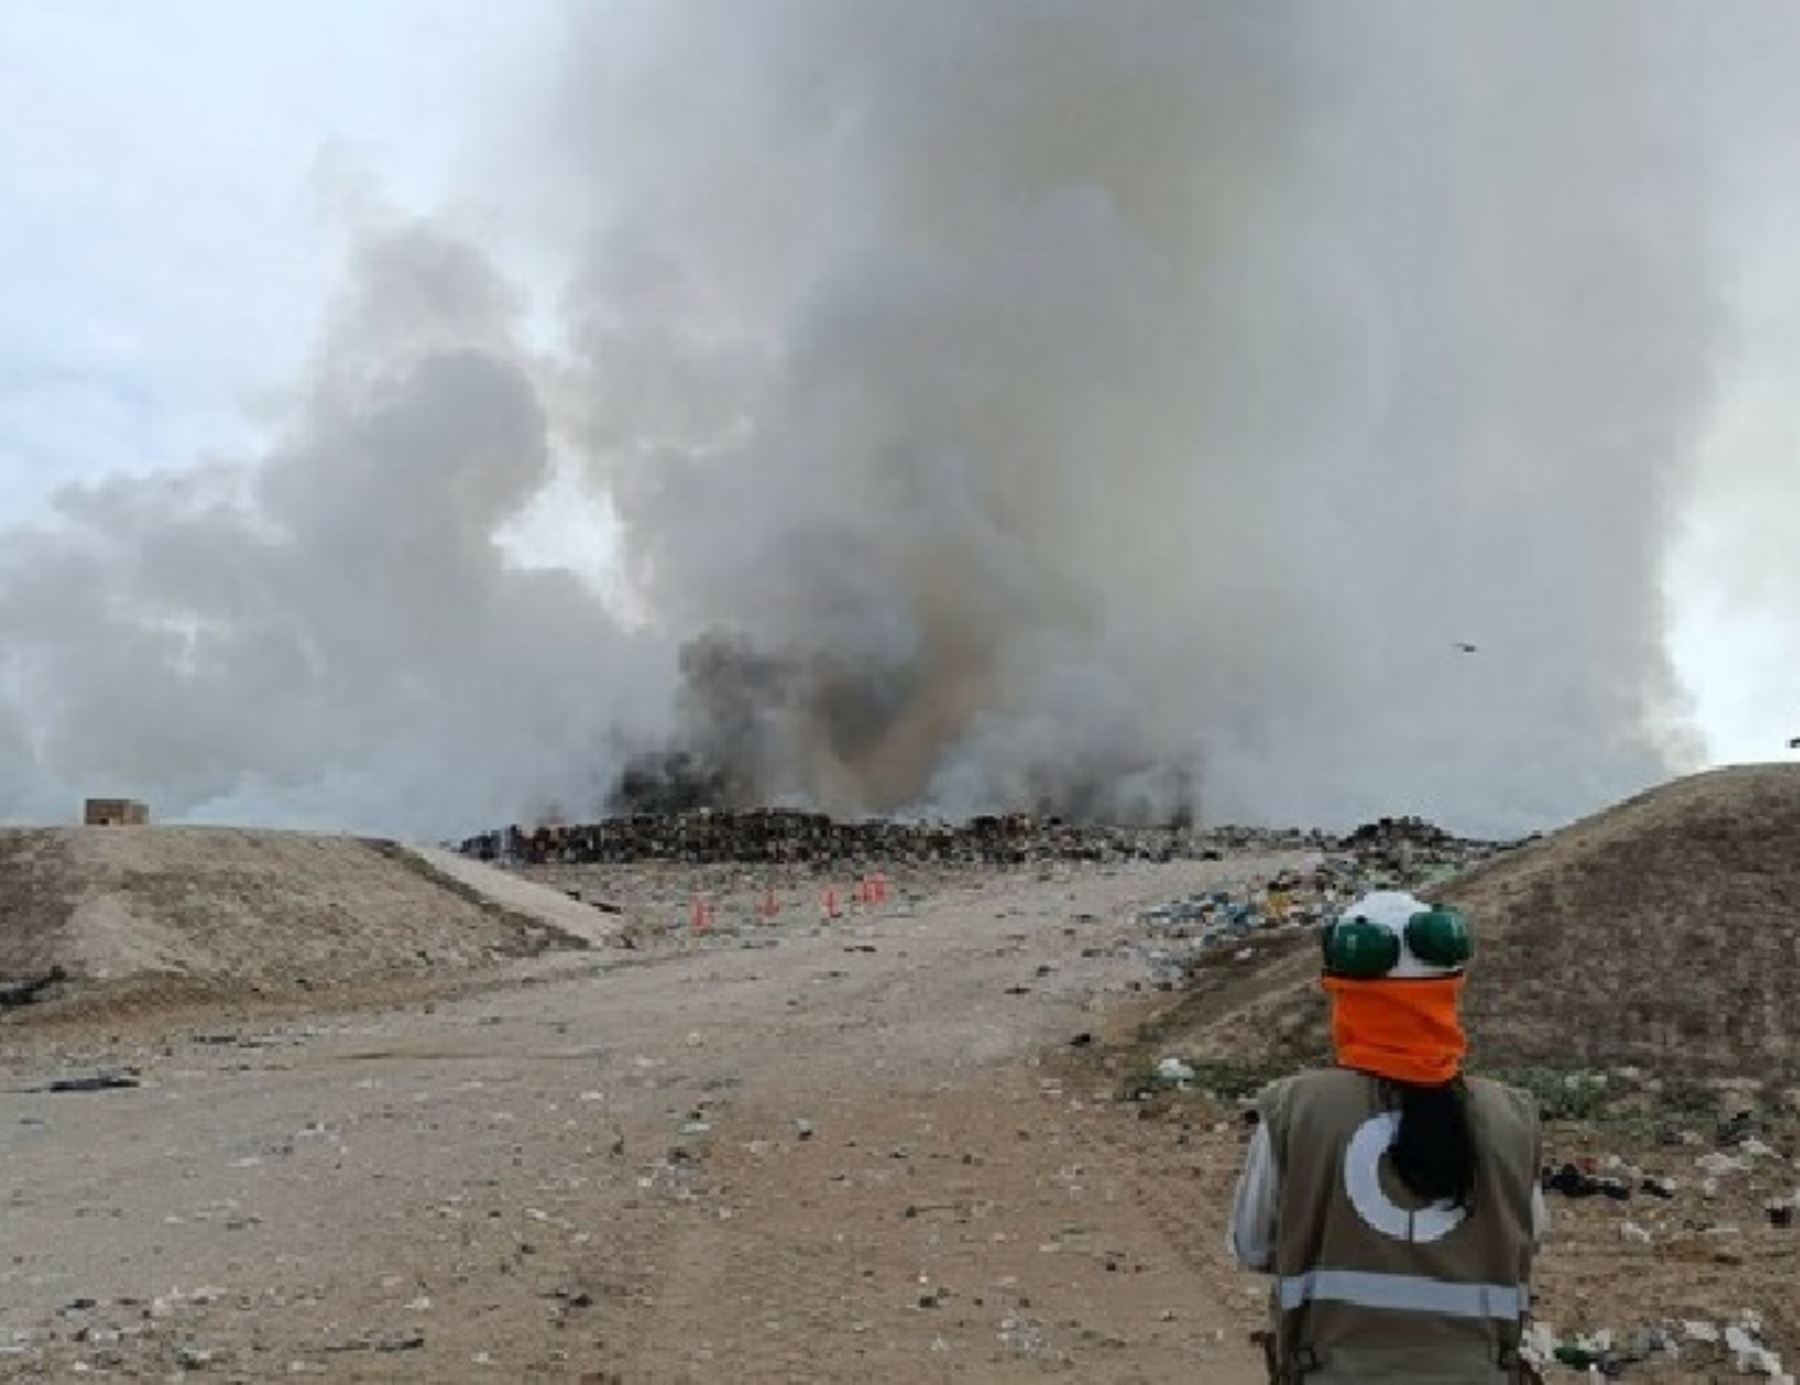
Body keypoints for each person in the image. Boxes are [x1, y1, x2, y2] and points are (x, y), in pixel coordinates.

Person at [1228, 890, 1546, 1383]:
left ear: (1346, 996)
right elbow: (1529, 1235)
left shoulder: (1294, 1108)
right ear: (1448, 992)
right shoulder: (1510, 1116)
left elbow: (1253, 1246)